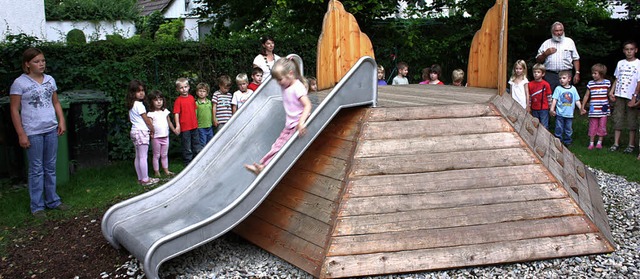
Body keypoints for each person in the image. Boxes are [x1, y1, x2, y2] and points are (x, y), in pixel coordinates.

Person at [10, 47, 69, 218]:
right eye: (37, 61)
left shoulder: (50, 80)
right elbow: (14, 110)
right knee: (36, 169)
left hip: (50, 129)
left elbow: (56, 103)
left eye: (43, 61)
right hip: (33, 132)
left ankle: (53, 200)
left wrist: (61, 121)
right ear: (27, 64)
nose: (41, 64)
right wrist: (21, 133)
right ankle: (37, 206)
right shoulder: (19, 83)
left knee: (50, 167)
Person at [244, 58, 312, 174]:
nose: (279, 83)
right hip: (289, 125)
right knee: (276, 145)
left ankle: (266, 168)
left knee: (281, 148)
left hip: (296, 125)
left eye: (280, 79)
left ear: (290, 74)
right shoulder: (285, 85)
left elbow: (308, 105)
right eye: (277, 80)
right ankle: (263, 166)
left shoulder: (297, 87)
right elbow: (282, 69)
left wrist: (301, 122)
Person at [126, 80, 159, 186]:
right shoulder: (139, 105)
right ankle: (146, 180)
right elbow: (146, 120)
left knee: (138, 156)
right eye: (138, 91)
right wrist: (153, 129)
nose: (141, 93)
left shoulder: (131, 105)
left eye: (143, 90)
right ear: (133, 93)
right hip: (141, 132)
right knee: (143, 156)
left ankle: (141, 178)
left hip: (134, 131)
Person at [611, 40, 640, 154]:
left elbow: (639, 82)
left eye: (631, 49)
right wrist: (612, 92)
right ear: (624, 51)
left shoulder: (638, 63)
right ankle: (616, 143)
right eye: (627, 49)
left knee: (631, 120)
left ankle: (631, 144)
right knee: (618, 118)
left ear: (636, 50)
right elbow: (617, 79)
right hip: (619, 94)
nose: (629, 52)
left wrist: (635, 96)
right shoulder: (620, 63)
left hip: (631, 95)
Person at [535, 21, 581, 92]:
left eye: (561, 30)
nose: (559, 33)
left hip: (566, 74)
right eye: (556, 31)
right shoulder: (546, 43)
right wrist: (545, 54)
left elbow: (576, 58)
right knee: (550, 97)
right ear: (552, 31)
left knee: (566, 97)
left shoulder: (569, 42)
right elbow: (538, 61)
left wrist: (577, 73)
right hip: (550, 75)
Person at [580, 63, 611, 150]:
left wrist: (612, 97)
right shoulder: (591, 84)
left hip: (603, 109)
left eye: (595, 73)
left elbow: (609, 94)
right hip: (594, 109)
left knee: (602, 125)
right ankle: (591, 142)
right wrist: (583, 106)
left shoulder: (607, 83)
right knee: (593, 125)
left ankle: (599, 142)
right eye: (592, 73)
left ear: (601, 73)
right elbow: (586, 95)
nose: (593, 75)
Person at [146, 90, 177, 177]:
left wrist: (174, 129)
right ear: (151, 102)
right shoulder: (151, 114)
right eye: (156, 100)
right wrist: (151, 134)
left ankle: (166, 170)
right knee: (156, 155)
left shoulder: (165, 111)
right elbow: (150, 125)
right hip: (156, 138)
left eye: (160, 99)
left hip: (165, 137)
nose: (159, 102)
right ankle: (157, 172)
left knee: (164, 155)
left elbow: (169, 122)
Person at [173, 77, 202, 165]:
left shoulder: (192, 98)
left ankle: (197, 160)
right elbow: (176, 113)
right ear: (177, 89)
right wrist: (177, 125)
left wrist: (197, 122)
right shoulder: (178, 101)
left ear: (189, 87)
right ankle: (188, 163)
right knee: (187, 146)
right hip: (185, 127)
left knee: (196, 144)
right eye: (181, 88)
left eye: (185, 87)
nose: (184, 89)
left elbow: (194, 111)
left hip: (194, 126)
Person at [550, 71, 582, 146]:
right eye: (560, 78)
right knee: (559, 128)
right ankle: (558, 140)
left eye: (564, 78)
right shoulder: (558, 89)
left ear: (569, 79)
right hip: (560, 113)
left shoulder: (573, 89)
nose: (561, 80)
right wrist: (552, 109)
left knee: (568, 129)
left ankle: (568, 141)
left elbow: (577, 100)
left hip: (569, 114)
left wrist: (581, 108)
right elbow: (554, 99)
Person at [528, 63, 552, 129]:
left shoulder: (546, 84)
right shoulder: (530, 84)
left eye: (538, 72)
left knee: (544, 125)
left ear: (543, 74)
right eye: (534, 72)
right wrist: (529, 107)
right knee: (535, 124)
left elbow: (549, 97)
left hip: (544, 108)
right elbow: (529, 97)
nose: (536, 74)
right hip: (534, 108)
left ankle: (545, 138)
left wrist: (551, 107)